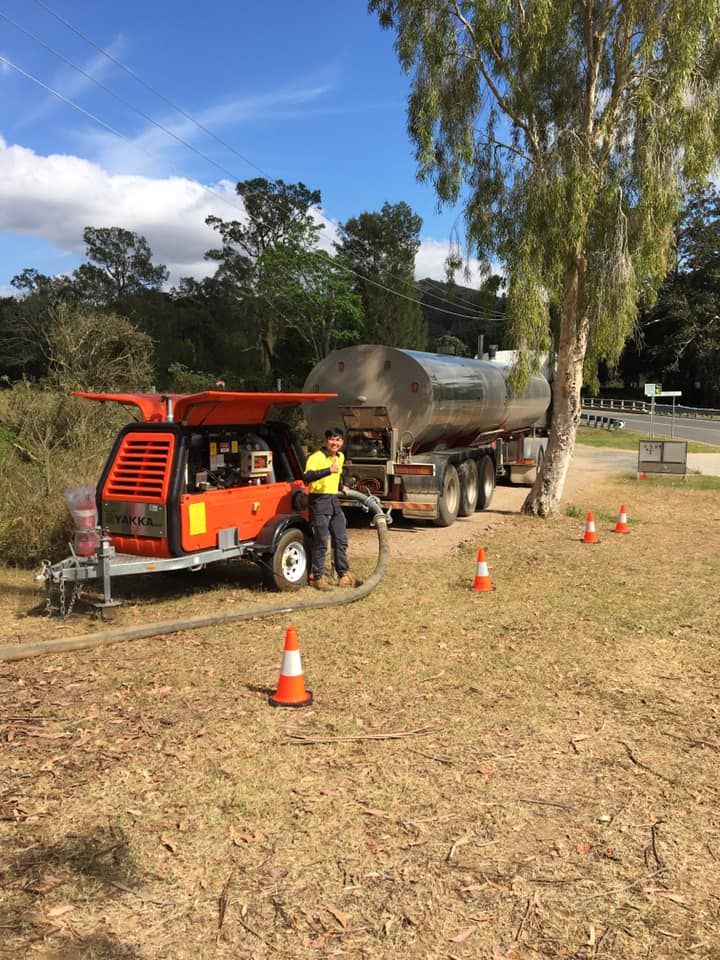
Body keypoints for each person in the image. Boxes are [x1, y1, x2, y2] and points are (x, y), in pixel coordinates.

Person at [303, 427, 355, 590]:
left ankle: (343, 574)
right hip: (319, 500)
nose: (335, 443)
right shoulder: (316, 457)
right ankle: (317, 577)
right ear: (326, 441)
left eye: (338, 440)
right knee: (321, 541)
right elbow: (307, 477)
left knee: (340, 539)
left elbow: (337, 475)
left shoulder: (340, 456)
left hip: (333, 499)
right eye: (332, 439)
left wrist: (342, 485)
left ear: (342, 442)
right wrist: (328, 470)